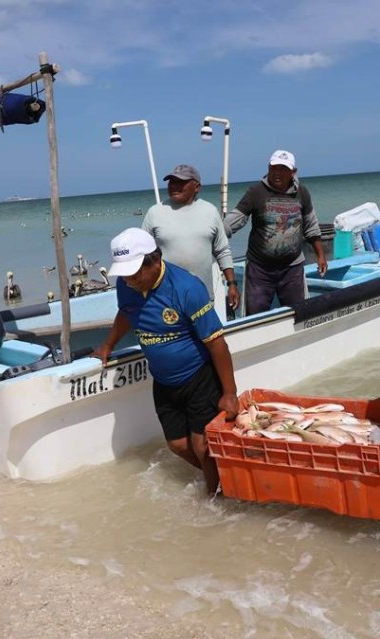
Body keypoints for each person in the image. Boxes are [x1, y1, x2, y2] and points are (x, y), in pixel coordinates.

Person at [93, 228, 240, 494]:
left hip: (199, 377)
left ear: (156, 259)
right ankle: (225, 481)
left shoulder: (187, 288)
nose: (130, 281)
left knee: (203, 446)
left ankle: (217, 501)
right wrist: (107, 345)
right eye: (125, 275)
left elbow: (217, 342)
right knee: (178, 446)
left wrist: (230, 393)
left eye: (136, 273)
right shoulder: (127, 285)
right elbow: (126, 313)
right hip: (163, 381)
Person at [223, 150, 327, 315]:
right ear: (268, 168)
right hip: (260, 270)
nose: (277, 173)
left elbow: (311, 225)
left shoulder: (302, 193)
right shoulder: (256, 192)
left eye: (283, 169)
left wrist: (320, 255)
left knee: (297, 314)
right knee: (255, 317)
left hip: (292, 268)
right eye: (274, 168)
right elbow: (233, 222)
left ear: (293, 172)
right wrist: (213, 235)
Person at [141, 164, 239, 312]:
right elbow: (141, 253)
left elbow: (222, 250)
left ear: (197, 187)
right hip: (166, 297)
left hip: (203, 295)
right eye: (171, 182)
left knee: (206, 335)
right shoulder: (155, 212)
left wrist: (232, 284)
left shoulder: (210, 211)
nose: (174, 186)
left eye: (181, 182)